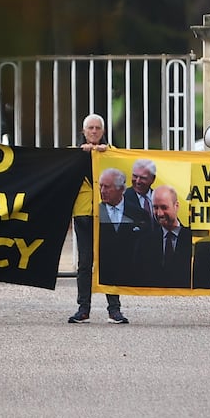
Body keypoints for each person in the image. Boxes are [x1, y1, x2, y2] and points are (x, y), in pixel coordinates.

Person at [68, 114, 127, 324]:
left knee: (110, 261)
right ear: (83, 131)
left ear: (103, 131)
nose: (94, 131)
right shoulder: (73, 155)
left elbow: (124, 169)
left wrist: (106, 153)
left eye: (97, 128)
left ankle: (114, 310)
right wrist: (82, 154)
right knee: (85, 263)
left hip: (106, 215)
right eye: (90, 128)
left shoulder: (112, 154)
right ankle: (83, 309)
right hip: (83, 214)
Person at [96, 167, 149, 323]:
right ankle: (84, 309)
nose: (102, 191)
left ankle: (114, 311)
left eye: (107, 187)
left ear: (121, 189)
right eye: (101, 186)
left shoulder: (138, 213)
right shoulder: (95, 212)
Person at [133, 185, 192, 287]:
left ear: (176, 206)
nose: (159, 213)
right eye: (155, 207)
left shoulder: (192, 240)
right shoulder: (144, 243)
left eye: (164, 207)